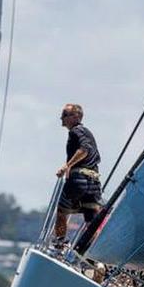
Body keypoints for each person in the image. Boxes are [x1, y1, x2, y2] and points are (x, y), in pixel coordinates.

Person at [53, 104, 103, 248]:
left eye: (65, 114)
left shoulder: (76, 131)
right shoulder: (87, 132)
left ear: (76, 116)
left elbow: (85, 149)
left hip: (78, 180)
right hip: (93, 183)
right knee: (91, 222)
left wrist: (67, 165)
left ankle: (59, 245)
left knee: (62, 213)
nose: (61, 118)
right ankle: (91, 254)